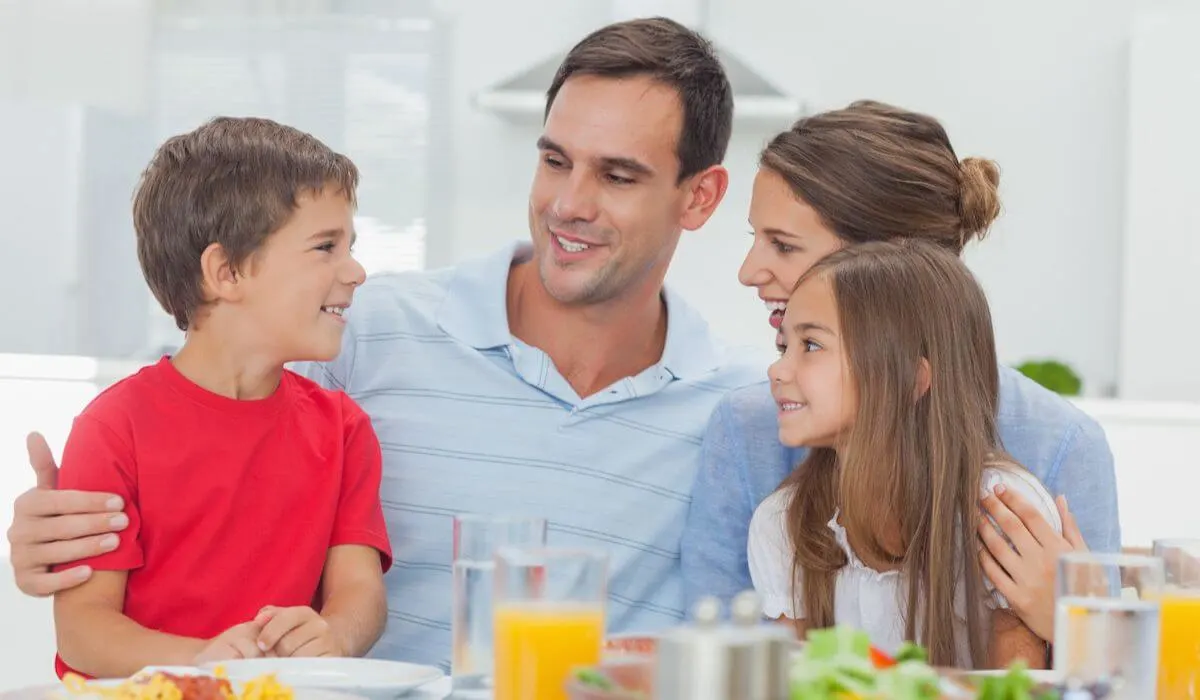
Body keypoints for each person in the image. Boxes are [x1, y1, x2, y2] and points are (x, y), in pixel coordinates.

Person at [5, 18, 766, 669]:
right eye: (555, 160)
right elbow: (201, 397)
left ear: (698, 197)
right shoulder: (364, 331)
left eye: (619, 176)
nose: (569, 204)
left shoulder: (743, 409)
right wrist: (63, 526)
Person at [681, 100, 1118, 642]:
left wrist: (1072, 624)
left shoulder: (1061, 444)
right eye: (756, 239)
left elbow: (1106, 670)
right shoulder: (748, 431)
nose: (749, 272)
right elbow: (715, 651)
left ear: (886, 266)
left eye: (784, 245)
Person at [45, 117, 392, 679]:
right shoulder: (115, 427)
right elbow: (84, 629)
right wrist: (204, 664)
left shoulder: (344, 428)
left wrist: (333, 635)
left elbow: (360, 594)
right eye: (326, 246)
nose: (355, 271)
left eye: (350, 246)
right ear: (226, 272)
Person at [747, 239, 1058, 669]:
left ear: (912, 378)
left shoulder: (999, 510)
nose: (777, 370)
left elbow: (1014, 691)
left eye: (811, 346)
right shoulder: (783, 521)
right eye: (784, 347)